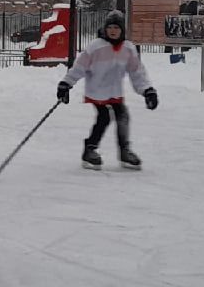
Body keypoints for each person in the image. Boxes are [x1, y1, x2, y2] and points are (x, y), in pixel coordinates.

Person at [57, 9, 158, 170]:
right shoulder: (95, 47)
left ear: (122, 30)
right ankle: (90, 149)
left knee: (122, 116)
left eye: (116, 28)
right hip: (97, 91)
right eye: (110, 27)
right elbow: (79, 67)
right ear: (105, 28)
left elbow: (137, 72)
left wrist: (148, 90)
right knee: (104, 117)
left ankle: (124, 150)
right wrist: (66, 84)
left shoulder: (128, 49)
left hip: (115, 92)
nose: (113, 31)